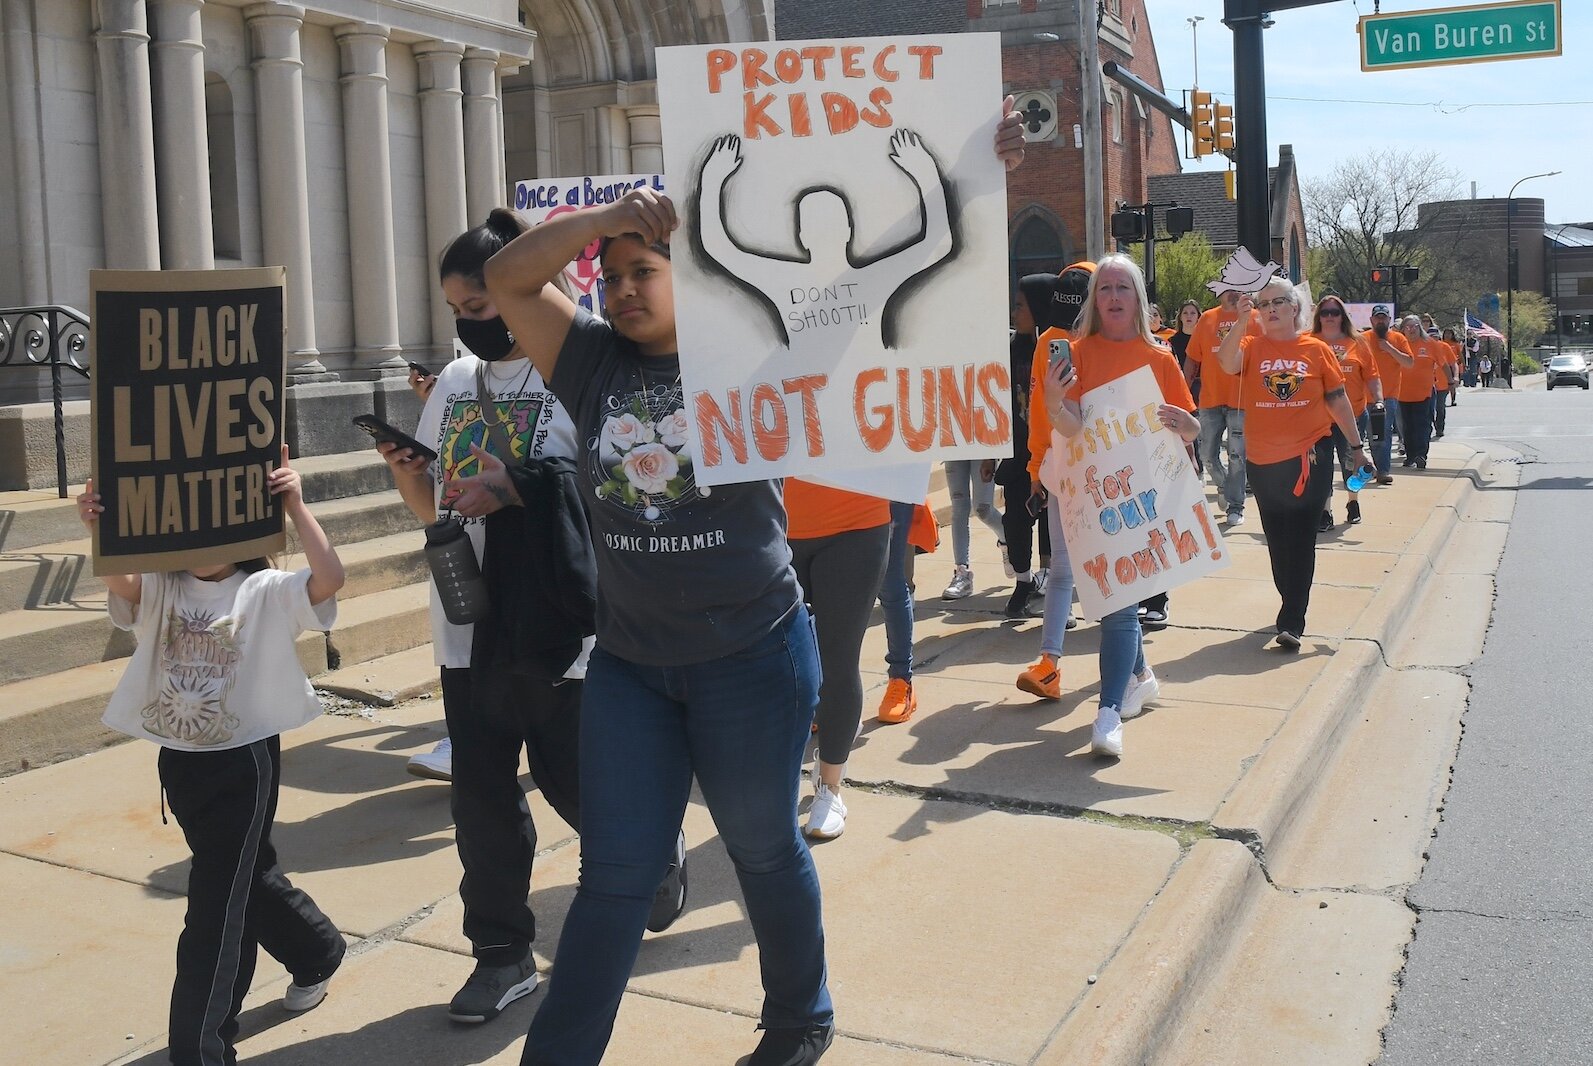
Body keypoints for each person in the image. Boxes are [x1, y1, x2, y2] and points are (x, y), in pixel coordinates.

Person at [483, 102, 1028, 1066]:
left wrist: (974, 172)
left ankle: (798, 1018)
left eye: (642, 271)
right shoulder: (587, 363)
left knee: (762, 847)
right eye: (609, 278)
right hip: (631, 669)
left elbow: (892, 276)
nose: (621, 290)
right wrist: (610, 213)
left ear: (687, 276)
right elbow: (503, 278)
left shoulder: (757, 359)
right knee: (614, 875)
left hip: (752, 658)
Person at [377, 212, 689, 1027]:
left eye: (480, 303)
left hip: (564, 627)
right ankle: (501, 952)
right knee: (480, 803)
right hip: (471, 626)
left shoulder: (584, 369)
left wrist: (521, 484)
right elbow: (430, 508)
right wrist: (412, 474)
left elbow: (630, 487)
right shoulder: (449, 385)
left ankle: (652, 849)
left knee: (580, 789)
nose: (470, 323)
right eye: (456, 309)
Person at [77, 451, 348, 1066]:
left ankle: (198, 1046)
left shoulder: (264, 588)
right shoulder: (163, 586)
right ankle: (316, 951)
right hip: (181, 759)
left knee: (215, 901)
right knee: (241, 877)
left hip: (244, 759)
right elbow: (122, 583)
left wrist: (296, 506)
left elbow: (328, 580)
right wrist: (100, 527)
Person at [1039, 254, 1200, 756]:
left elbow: (1192, 429)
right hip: (1094, 496)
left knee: (1117, 605)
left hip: (1144, 500)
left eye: (1122, 289)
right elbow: (1068, 427)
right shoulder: (1077, 355)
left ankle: (1108, 712)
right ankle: (1141, 674)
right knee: (1113, 601)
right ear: (1095, 300)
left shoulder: (1161, 358)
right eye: (1105, 288)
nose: (1112, 296)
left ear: (1137, 300)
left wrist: (1183, 423)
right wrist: (1051, 399)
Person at [1216, 279, 1369, 648]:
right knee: (1277, 538)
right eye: (1264, 303)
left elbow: (1336, 399)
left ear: (1295, 308)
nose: (1270, 309)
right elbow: (1225, 361)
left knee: (1301, 537)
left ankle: (1292, 618)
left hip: (1310, 453)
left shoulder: (1316, 349)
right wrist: (1240, 319)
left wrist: (1357, 446)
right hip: (1263, 458)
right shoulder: (1251, 346)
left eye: (1279, 302)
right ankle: (1290, 599)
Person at [784, 479, 892, 839]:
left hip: (857, 522)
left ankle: (830, 789)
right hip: (774, 521)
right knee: (778, 665)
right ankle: (776, 790)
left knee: (838, 661)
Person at [1016, 262, 1094, 700]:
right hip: (1064, 473)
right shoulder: (1051, 341)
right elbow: (1041, 419)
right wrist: (1035, 470)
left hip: (1108, 474)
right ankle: (1049, 663)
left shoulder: (1114, 342)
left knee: (1110, 577)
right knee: (1063, 570)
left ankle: (1136, 671)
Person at [987, 274, 1057, 618]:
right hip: (1017, 455)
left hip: (1052, 454)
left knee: (1051, 523)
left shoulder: (1058, 347)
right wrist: (989, 452)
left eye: (1020, 306)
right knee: (1016, 520)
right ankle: (1024, 580)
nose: (1014, 313)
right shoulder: (1009, 350)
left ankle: (1050, 584)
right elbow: (996, 404)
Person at [1185, 285, 1259, 526]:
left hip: (1242, 399)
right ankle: (1225, 487)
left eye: (1238, 288)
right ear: (1218, 292)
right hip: (1210, 399)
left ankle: (1236, 506)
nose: (1232, 293)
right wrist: (1183, 391)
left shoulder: (1256, 318)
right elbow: (1192, 358)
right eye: (1227, 288)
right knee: (1206, 455)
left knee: (1237, 455)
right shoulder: (1207, 318)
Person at [1311, 294, 1383, 528]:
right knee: (1321, 467)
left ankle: (1353, 500)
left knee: (1351, 462)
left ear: (1343, 316)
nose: (1330, 317)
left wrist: (1379, 401)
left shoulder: (1358, 342)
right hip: (1319, 417)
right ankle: (1325, 511)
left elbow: (1372, 376)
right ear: (1318, 317)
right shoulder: (1309, 341)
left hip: (1352, 414)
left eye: (1335, 312)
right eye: (1325, 313)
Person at [939, 451, 1005, 599]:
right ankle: (962, 571)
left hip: (981, 444)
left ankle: (1008, 541)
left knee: (983, 509)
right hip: (954, 442)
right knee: (958, 507)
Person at [1361, 304, 1414, 484]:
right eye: (1378, 317)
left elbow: (1408, 363)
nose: (1381, 320)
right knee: (1371, 435)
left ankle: (1383, 471)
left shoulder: (1398, 339)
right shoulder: (1362, 339)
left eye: (1384, 317)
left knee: (1382, 432)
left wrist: (1390, 349)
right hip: (1363, 396)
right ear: (1371, 320)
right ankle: (1376, 467)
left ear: (1390, 320)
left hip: (1389, 396)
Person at [1395, 314, 1441, 470]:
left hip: (1424, 394)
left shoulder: (1430, 344)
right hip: (1402, 394)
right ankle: (1410, 456)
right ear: (1403, 330)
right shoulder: (1398, 344)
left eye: (1415, 326)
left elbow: (1443, 363)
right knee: (1407, 428)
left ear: (1420, 327)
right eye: (1408, 327)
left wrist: (1451, 378)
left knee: (1422, 425)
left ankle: (1421, 455)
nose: (1411, 330)